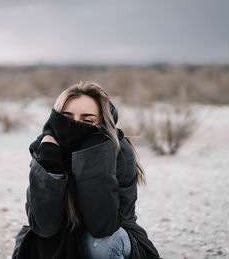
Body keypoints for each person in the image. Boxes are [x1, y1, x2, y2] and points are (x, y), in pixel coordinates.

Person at [12, 81, 160, 259]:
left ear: (102, 122)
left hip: (111, 235)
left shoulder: (117, 149)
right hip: (60, 236)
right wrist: (51, 165)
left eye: (87, 120)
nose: (74, 125)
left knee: (101, 245)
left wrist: (92, 155)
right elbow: (44, 226)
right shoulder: (46, 147)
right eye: (66, 117)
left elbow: (103, 226)